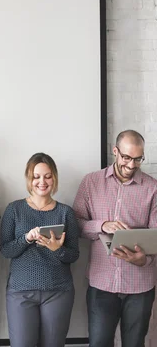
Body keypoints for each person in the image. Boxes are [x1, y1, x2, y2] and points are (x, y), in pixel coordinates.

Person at [74, 130, 157, 347]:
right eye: (127, 158)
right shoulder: (91, 182)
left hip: (140, 286)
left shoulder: (153, 188)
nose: (131, 165)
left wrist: (144, 260)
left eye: (138, 159)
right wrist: (101, 225)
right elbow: (75, 224)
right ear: (115, 152)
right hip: (102, 284)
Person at [0, 152, 80, 347]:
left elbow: (74, 254)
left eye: (47, 176)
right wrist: (26, 238)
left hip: (58, 292)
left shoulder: (65, 212)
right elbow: (5, 250)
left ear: (54, 178)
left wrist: (57, 249)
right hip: (20, 292)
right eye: (36, 176)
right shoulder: (14, 209)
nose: (42, 182)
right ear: (29, 179)